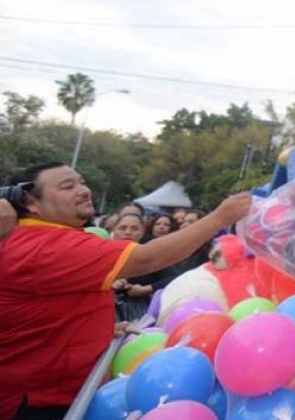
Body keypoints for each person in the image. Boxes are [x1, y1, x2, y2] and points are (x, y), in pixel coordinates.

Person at [0, 162, 251, 420]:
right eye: (68, 186)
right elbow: (148, 259)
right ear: (31, 202)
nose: (84, 190)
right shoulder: (45, 245)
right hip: (34, 402)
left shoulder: (42, 239)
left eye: (82, 182)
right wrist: (219, 218)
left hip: (54, 393)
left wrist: (98, 329)